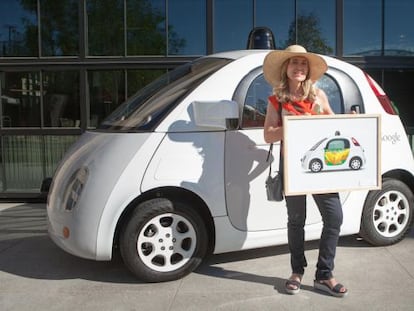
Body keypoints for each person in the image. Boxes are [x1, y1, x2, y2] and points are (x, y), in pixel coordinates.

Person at [262, 45, 348, 298]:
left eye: (303, 64)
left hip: (321, 167)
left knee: (334, 218)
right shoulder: (276, 100)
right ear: (285, 70)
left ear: (308, 70)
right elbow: (268, 135)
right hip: (292, 167)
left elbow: (335, 124)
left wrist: (349, 121)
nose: (299, 67)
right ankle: (296, 272)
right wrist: (293, 126)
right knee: (296, 221)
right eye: (293, 63)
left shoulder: (319, 95)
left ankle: (324, 275)